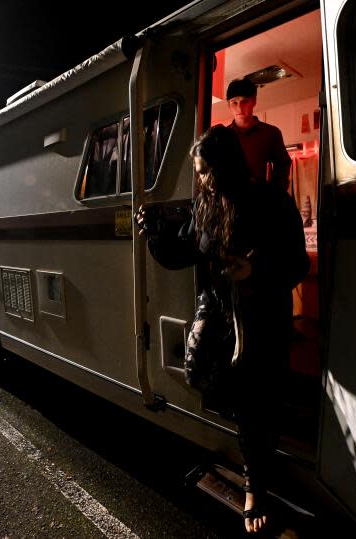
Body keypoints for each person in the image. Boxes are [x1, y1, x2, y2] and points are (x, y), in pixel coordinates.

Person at [136, 126, 309, 533]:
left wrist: (257, 269)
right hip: (218, 308)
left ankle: (256, 486)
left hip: (261, 313)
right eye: (199, 173)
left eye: (207, 172)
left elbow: (298, 264)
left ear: (227, 166)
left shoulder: (272, 201)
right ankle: (254, 431)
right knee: (198, 372)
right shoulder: (207, 204)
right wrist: (153, 236)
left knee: (255, 401)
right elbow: (184, 253)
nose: (202, 180)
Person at [226, 78, 293, 190]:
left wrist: (275, 194)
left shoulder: (271, 133)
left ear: (254, 101)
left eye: (244, 101)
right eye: (234, 102)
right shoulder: (223, 136)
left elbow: (283, 165)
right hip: (230, 203)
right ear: (228, 105)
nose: (239, 107)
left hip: (263, 202)